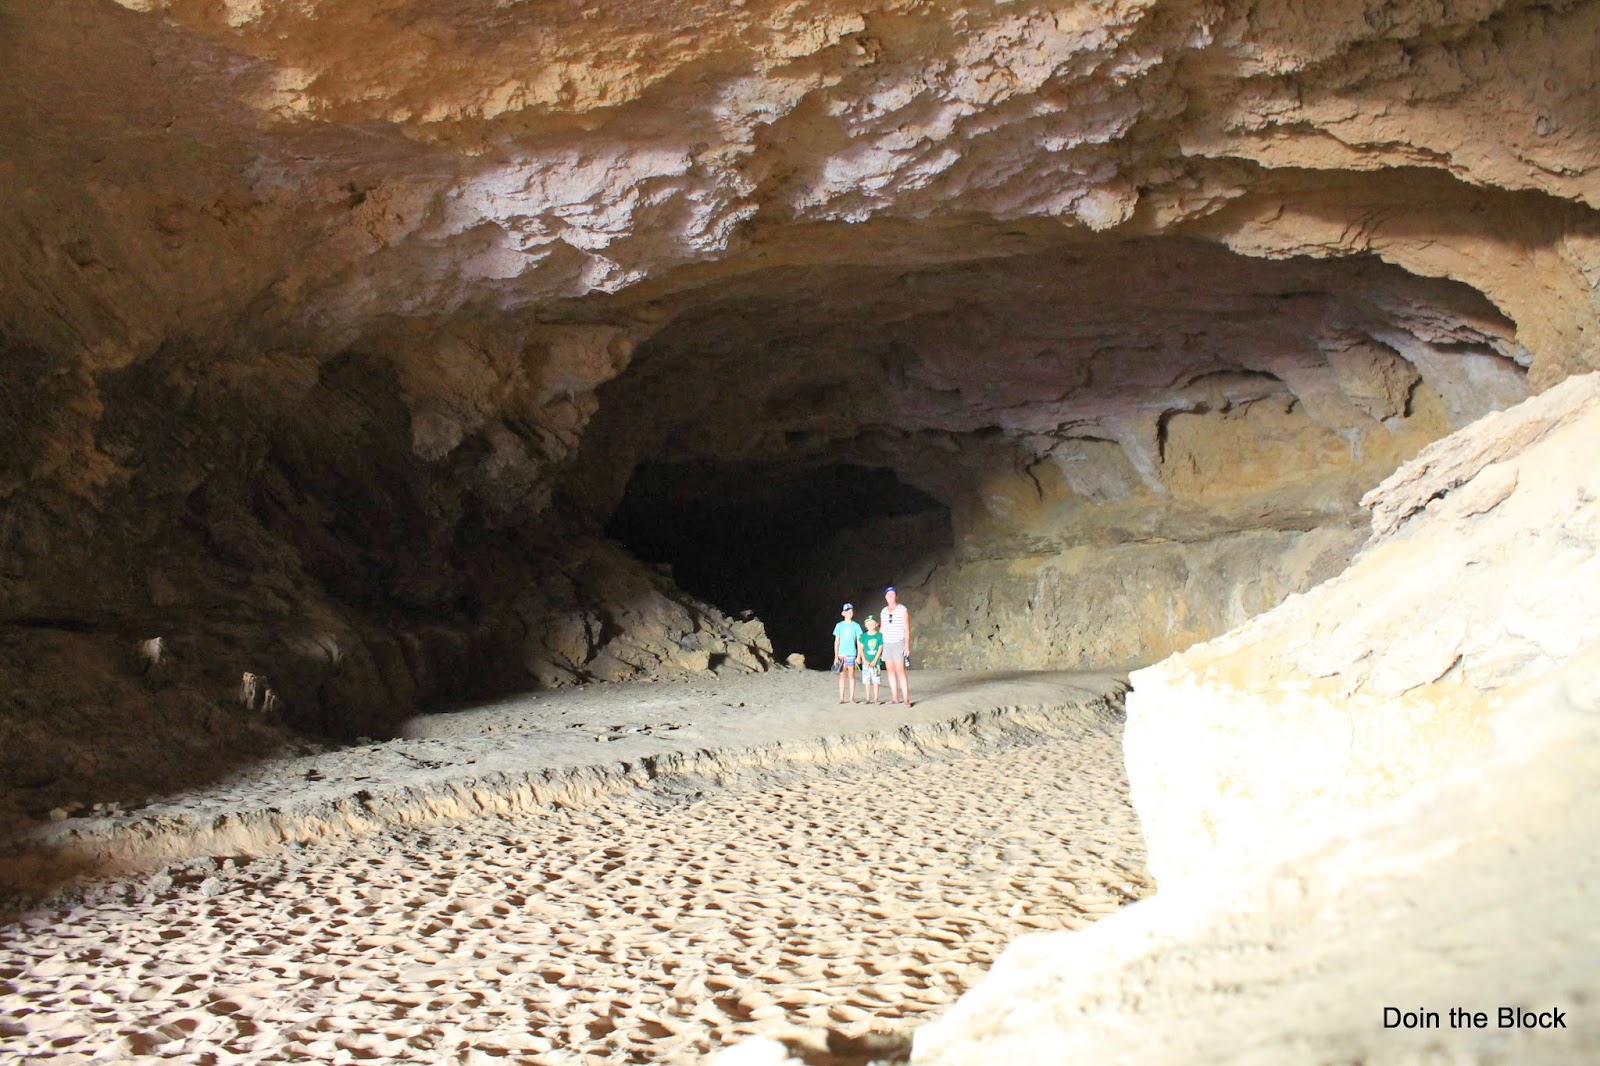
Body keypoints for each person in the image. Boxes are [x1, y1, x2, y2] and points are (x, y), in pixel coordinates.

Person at [881, 585, 912, 706]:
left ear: (896, 596)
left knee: (900, 671)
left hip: (898, 642)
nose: (890, 596)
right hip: (887, 643)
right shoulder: (883, 611)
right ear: (885, 597)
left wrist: (906, 645)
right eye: (888, 595)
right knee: (890, 670)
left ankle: (906, 699)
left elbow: (907, 629)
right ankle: (894, 697)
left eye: (893, 594)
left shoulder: (902, 610)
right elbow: (882, 629)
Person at [831, 603, 864, 705]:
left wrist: (859, 655)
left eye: (851, 611)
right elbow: (836, 641)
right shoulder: (839, 625)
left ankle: (851, 698)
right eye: (847, 611)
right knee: (842, 676)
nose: (850, 613)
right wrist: (836, 656)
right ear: (843, 613)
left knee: (851, 676)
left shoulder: (856, 626)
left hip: (852, 654)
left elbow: (859, 641)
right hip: (841, 654)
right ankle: (841, 698)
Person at [858, 615, 885, 704]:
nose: (870, 625)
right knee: (867, 681)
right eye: (868, 623)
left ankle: (876, 699)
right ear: (865, 625)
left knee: (876, 681)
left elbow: (880, 649)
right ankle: (867, 698)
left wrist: (875, 660)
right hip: (866, 663)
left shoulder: (879, 636)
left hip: (876, 663)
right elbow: (861, 649)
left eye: (872, 623)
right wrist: (864, 660)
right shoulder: (863, 636)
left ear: (876, 624)